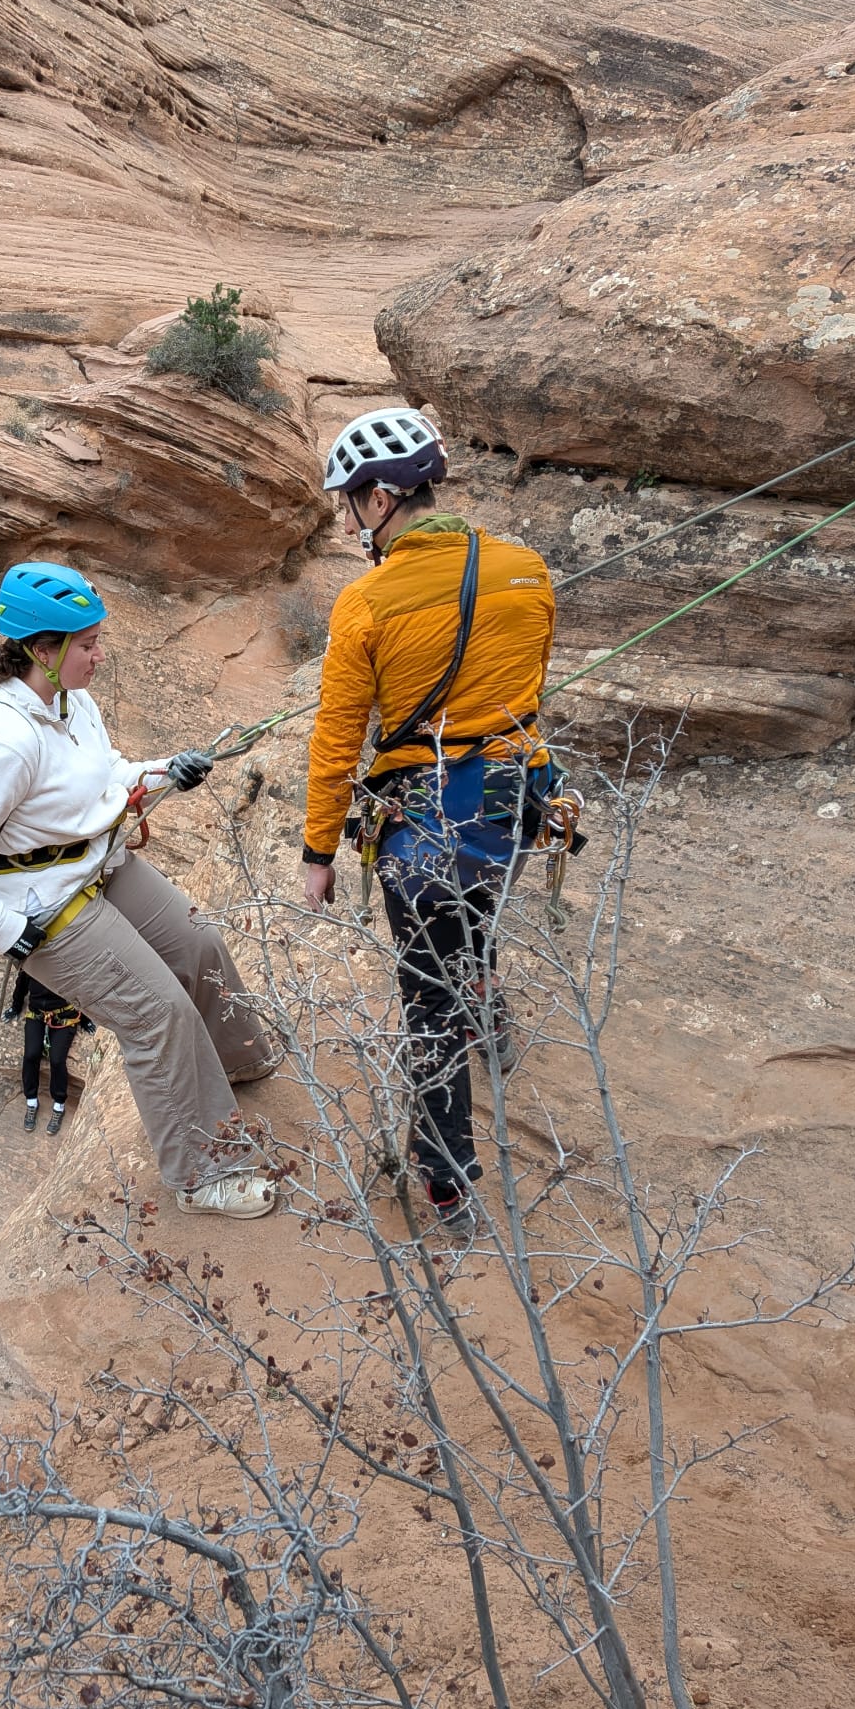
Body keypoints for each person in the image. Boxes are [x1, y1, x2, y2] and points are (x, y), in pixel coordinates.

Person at [0, 562, 280, 1219]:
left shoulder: (71, 702)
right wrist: (6, 932)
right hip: (46, 904)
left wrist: (165, 771)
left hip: (99, 864)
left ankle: (236, 1062)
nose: (100, 656)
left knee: (199, 945)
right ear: (42, 650)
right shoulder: (3, 739)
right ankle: (203, 1174)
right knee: (157, 1014)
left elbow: (106, 772)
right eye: (87, 645)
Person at [301, 409, 556, 1223]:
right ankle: (489, 1005)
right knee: (477, 911)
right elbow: (529, 685)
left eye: (352, 505)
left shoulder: (366, 602)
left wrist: (318, 850)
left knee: (427, 1001)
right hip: (516, 799)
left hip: (424, 818)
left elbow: (338, 739)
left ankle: (447, 1183)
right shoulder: (526, 570)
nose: (350, 523)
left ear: (381, 499)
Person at [5, 971, 92, 1134]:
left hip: (64, 1016)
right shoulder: (32, 966)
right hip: (37, 1014)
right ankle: (31, 1101)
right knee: (31, 1055)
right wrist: (16, 1007)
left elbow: (81, 989)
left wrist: (85, 1019)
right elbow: (21, 985)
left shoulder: (64, 967)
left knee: (57, 1060)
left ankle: (59, 1105)